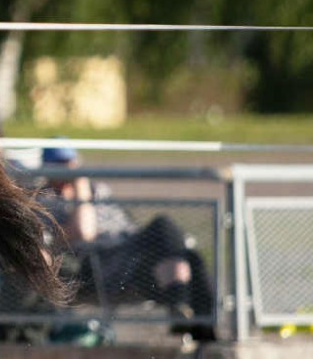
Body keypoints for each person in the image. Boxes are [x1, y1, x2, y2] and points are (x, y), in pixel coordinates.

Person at [38, 145, 216, 340]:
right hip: (99, 265)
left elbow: (126, 224)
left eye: (70, 163)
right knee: (163, 226)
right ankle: (178, 303)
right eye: (59, 164)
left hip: (130, 254)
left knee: (189, 256)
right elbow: (84, 232)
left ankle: (201, 330)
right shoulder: (45, 201)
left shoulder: (98, 190)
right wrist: (80, 187)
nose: (68, 169)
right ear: (47, 167)